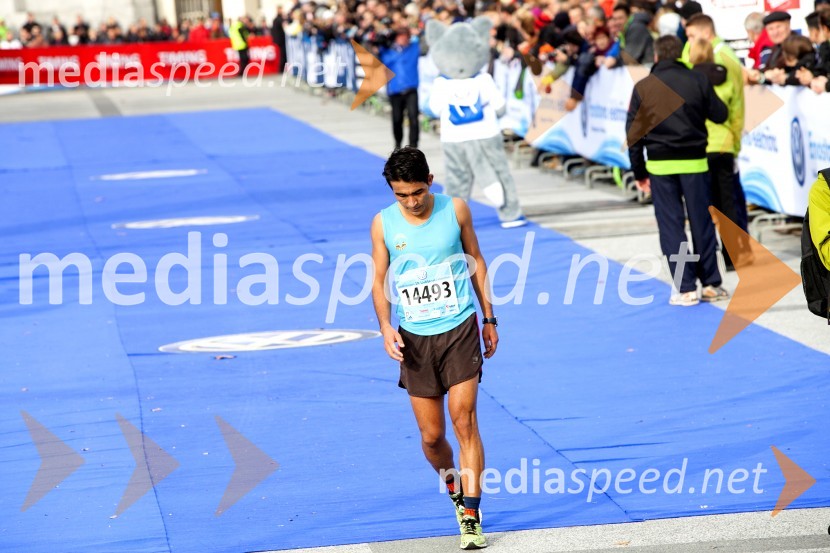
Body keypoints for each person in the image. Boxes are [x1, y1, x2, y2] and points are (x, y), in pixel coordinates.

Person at [371, 147, 496, 550]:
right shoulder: (383, 224)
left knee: (464, 421)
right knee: (431, 437)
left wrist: (489, 318)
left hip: (459, 327)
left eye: (417, 192)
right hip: (414, 339)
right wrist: (386, 326)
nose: (411, 201)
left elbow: (476, 259)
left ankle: (472, 516)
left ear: (430, 179)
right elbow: (379, 280)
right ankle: (456, 492)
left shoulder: (455, 209)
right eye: (401, 195)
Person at [626, 35, 729, 306]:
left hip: (660, 165)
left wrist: (638, 172)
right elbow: (720, 114)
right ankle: (710, 284)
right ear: (679, 54)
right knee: (701, 223)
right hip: (695, 161)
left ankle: (685, 289)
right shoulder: (697, 80)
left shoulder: (644, 86)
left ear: (657, 56)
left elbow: (634, 135)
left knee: (671, 227)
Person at [683, 14, 749, 270]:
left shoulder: (720, 60)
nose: (687, 43)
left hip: (703, 144)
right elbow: (736, 105)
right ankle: (734, 257)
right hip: (723, 143)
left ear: (704, 33)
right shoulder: (725, 61)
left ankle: (709, 260)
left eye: (690, 37)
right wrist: (734, 140)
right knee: (728, 201)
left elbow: (735, 105)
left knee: (706, 203)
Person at [379, 27, 421, 150]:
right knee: (397, 119)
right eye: (400, 36)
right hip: (395, 90)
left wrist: (419, 32)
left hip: (411, 89)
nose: (403, 38)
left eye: (405, 36)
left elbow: (426, 43)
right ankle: (398, 144)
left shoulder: (414, 48)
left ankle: (413, 146)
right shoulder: (387, 51)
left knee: (413, 118)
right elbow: (374, 49)